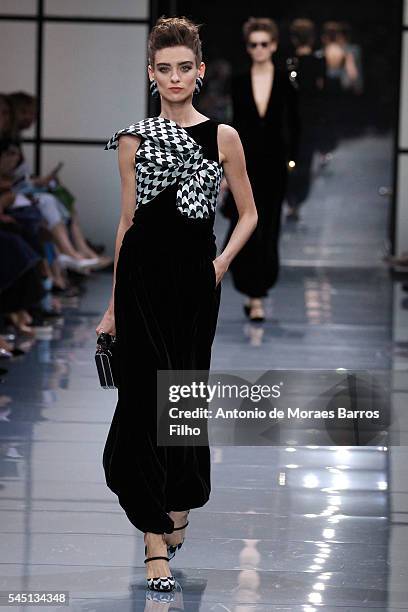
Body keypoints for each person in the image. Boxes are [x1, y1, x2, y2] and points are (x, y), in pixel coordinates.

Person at [95, 15, 257, 592]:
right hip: (140, 283)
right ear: (151, 74)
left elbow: (249, 213)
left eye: (184, 67)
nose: (174, 77)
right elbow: (125, 225)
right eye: (164, 69)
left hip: (193, 286)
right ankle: (153, 540)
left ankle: (180, 497)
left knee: (181, 397)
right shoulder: (134, 139)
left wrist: (219, 266)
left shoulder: (223, 138)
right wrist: (113, 307)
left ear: (201, 71)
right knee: (144, 401)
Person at [221, 17, 299, 322]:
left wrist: (291, 160)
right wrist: (226, 166)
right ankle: (252, 292)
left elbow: (295, 125)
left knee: (269, 228)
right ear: (247, 47)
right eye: (253, 44)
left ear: (274, 45)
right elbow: (232, 126)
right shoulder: (239, 82)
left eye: (264, 44)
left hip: (275, 165)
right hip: (245, 164)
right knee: (247, 225)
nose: (259, 49)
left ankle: (258, 294)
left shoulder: (284, 82)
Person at [285, 19, 325, 221]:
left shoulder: (290, 63)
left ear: (293, 39)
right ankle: (296, 202)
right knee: (304, 161)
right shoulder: (318, 63)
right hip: (310, 119)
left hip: (291, 119)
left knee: (290, 160)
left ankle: (292, 200)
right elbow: (320, 91)